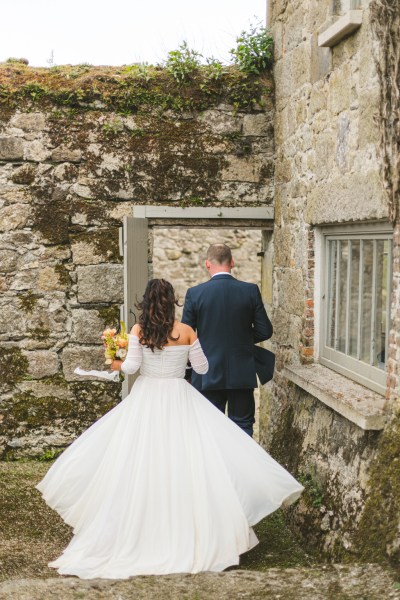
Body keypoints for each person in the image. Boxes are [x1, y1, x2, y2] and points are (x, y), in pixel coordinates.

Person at [36, 279, 303, 579]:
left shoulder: (139, 331)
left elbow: (130, 369)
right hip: (180, 397)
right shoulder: (187, 332)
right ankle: (195, 534)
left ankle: (136, 531)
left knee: (139, 461)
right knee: (188, 461)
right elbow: (202, 369)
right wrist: (183, 360)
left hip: (147, 398)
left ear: (147, 302)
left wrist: (114, 362)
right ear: (172, 301)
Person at [182, 243, 272, 437]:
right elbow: (265, 331)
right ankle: (241, 466)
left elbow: (186, 337)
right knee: (243, 425)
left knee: (208, 426)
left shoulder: (195, 294)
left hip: (207, 373)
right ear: (232, 262)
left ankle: (213, 466)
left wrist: (187, 372)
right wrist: (242, 339)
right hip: (241, 372)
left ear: (207, 264)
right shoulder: (250, 290)